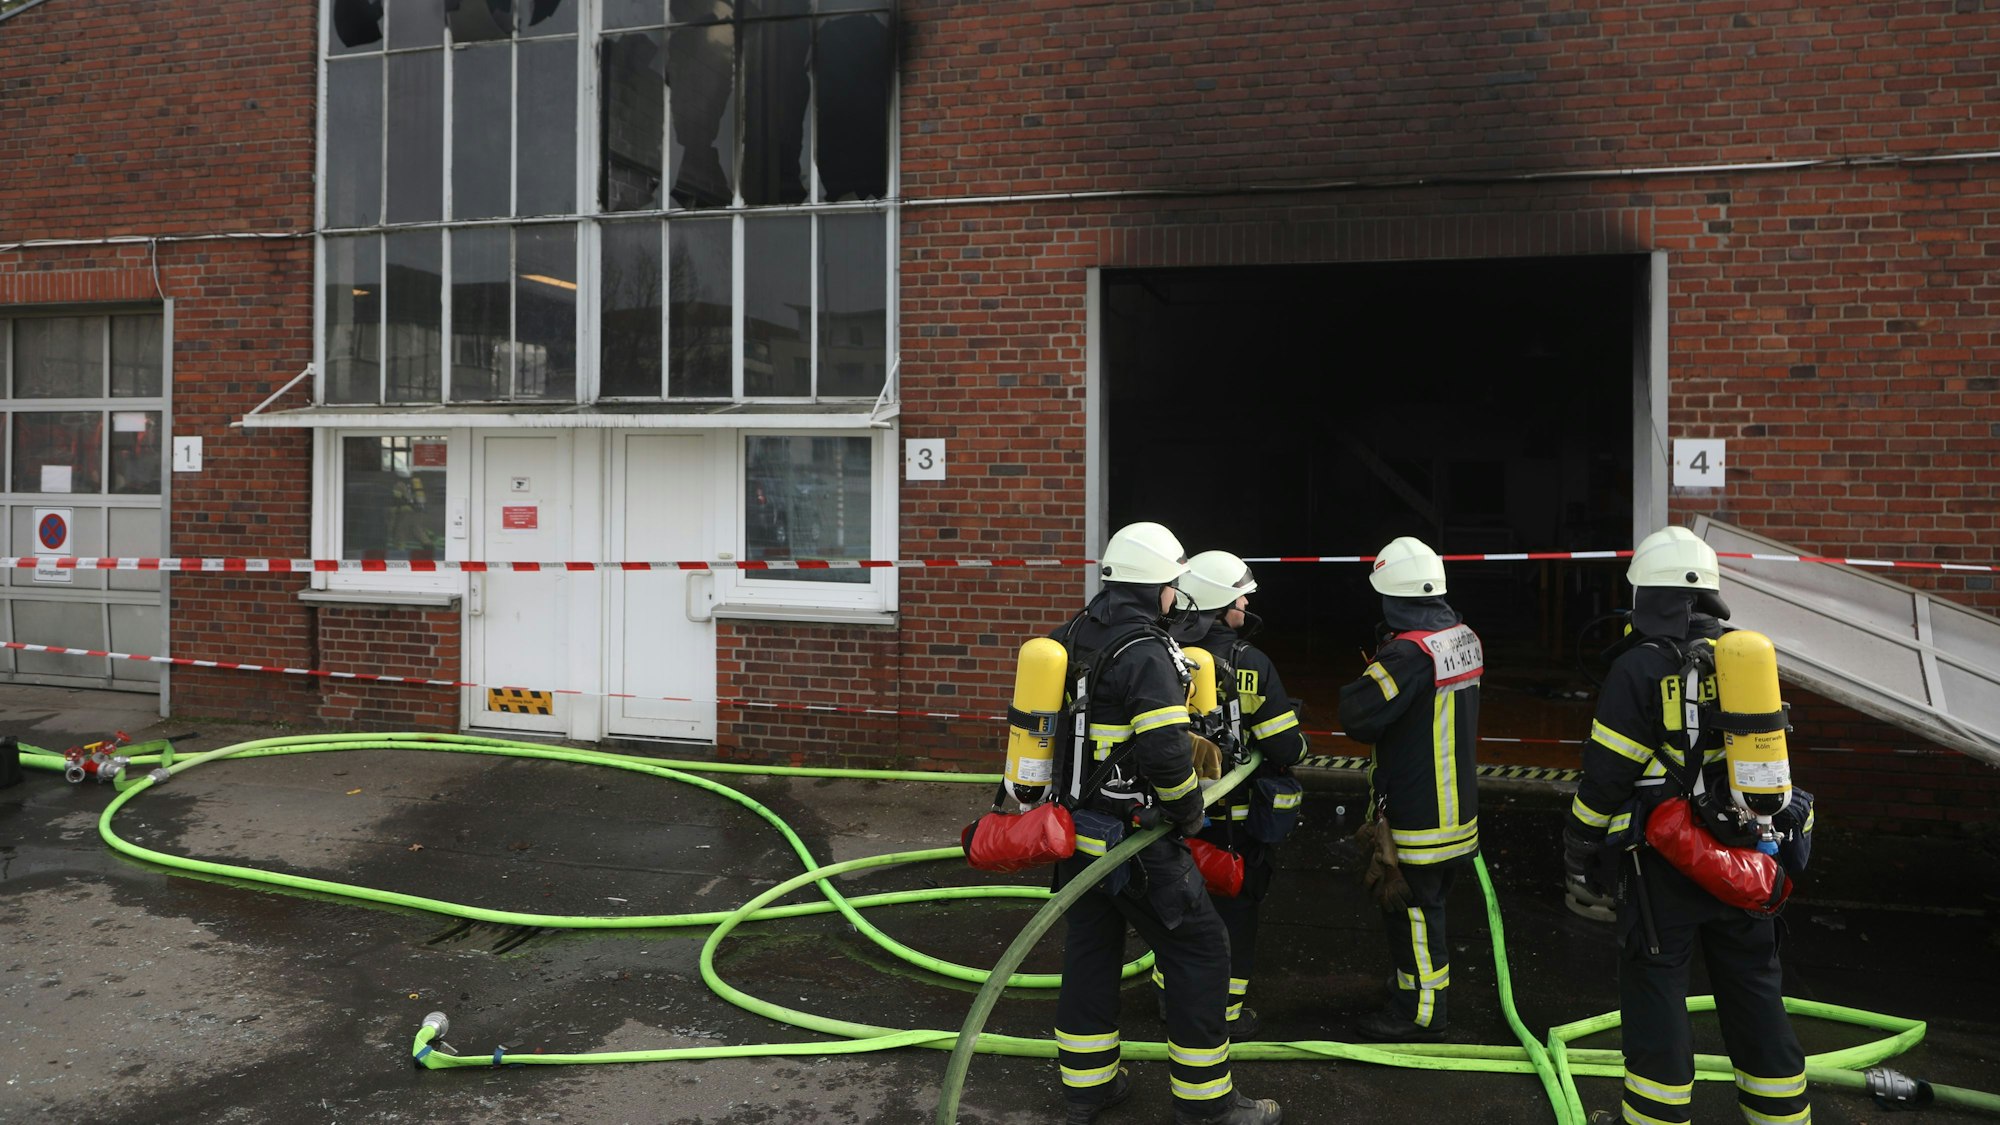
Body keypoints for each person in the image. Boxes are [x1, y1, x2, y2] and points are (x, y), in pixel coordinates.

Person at [1562, 526, 1811, 1125]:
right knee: (1755, 992)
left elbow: (1606, 778)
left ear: (1646, 592)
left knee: (1657, 995)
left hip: (1662, 866)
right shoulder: (1746, 658)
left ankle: (1656, 1116)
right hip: (1746, 856)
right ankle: (1782, 1117)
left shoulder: (1639, 669)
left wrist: (1580, 843)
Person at [1050, 522, 1282, 1125]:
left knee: (1092, 950)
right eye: (1173, 586)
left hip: (1074, 832)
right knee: (1202, 950)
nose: (1176, 597)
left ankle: (1087, 1088)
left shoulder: (1072, 634)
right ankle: (1207, 1104)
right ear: (1160, 587)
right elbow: (1163, 754)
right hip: (1134, 839)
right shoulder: (1145, 652)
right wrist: (1186, 810)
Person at [1151, 550, 1308, 1042]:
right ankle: (1225, 1013)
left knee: (1173, 910)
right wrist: (1299, 743)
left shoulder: (1158, 652)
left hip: (1172, 814)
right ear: (1223, 604)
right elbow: (1286, 745)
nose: (1246, 604)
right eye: (1241, 596)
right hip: (1233, 827)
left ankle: (1168, 1001)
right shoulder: (1251, 663)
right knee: (1233, 919)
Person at [1337, 536, 1483, 1043]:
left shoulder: (1408, 654)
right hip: (1456, 808)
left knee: (1415, 916)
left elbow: (1358, 713)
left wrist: (1377, 660)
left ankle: (1422, 1013)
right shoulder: (1462, 637)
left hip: (1421, 815)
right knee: (1419, 912)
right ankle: (1412, 989)